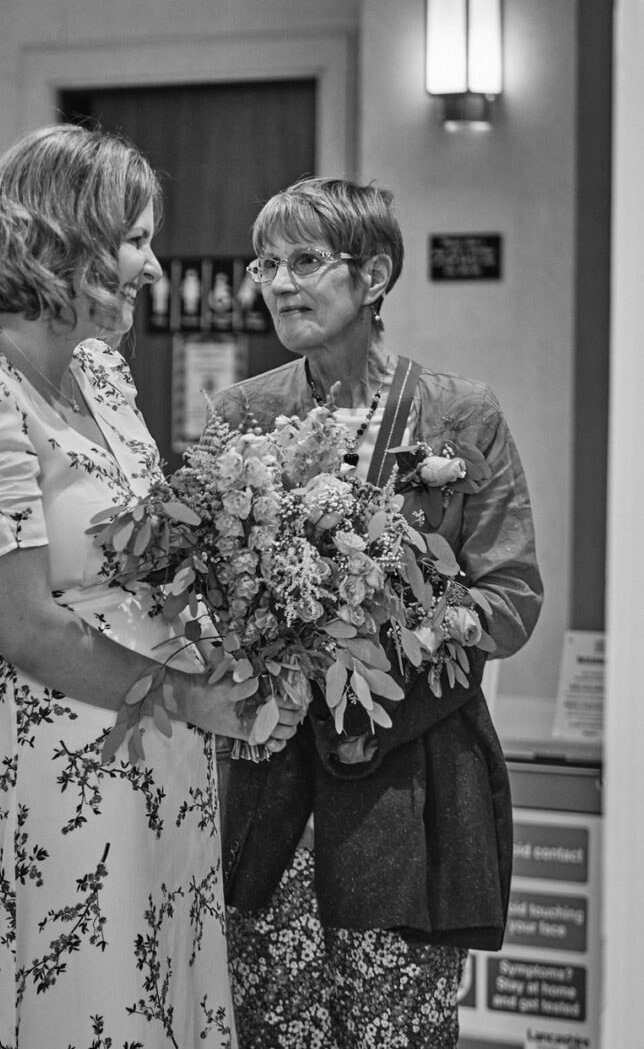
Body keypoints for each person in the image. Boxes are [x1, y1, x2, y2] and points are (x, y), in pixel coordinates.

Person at [0, 124, 303, 1049]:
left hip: (165, 757)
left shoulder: (100, 371)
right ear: (66, 240)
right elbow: (23, 625)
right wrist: (186, 694)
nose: (150, 262)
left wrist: (240, 650)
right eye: (133, 239)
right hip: (58, 770)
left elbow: (151, 555)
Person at [211, 177, 543, 1048]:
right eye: (267, 263)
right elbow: (209, 594)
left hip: (412, 774)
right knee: (275, 1023)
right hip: (270, 777)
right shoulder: (242, 416)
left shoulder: (458, 413)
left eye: (306, 261)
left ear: (376, 276)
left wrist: (396, 641)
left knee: (395, 1025)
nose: (280, 283)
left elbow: (509, 596)